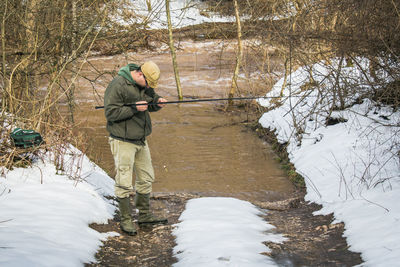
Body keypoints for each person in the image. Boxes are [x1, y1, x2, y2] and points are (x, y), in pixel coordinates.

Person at [104, 61, 168, 235]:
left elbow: (150, 101)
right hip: (122, 140)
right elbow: (110, 113)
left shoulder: (144, 84)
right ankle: (126, 219)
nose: (149, 87)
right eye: (148, 84)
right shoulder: (117, 84)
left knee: (147, 177)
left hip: (140, 139)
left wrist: (157, 103)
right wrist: (134, 108)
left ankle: (145, 215)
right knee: (124, 181)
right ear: (140, 74)